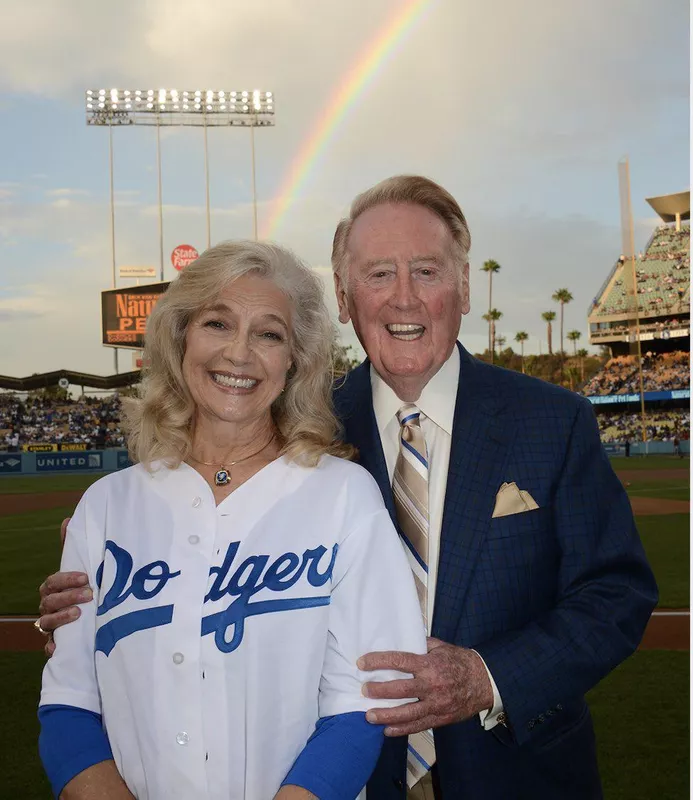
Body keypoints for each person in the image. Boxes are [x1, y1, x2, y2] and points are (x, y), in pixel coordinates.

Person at [39, 177, 658, 800]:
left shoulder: (553, 420)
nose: (404, 299)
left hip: (519, 772)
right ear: (342, 295)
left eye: (427, 270)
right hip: (355, 778)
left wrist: (486, 676)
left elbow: (616, 592)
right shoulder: (298, 425)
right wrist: (113, 581)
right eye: (379, 274)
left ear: (465, 285)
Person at [37, 240, 426, 800]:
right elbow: (68, 705)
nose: (239, 354)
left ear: (295, 358)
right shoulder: (105, 506)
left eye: (269, 334)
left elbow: (361, 705)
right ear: (181, 338)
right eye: (218, 324)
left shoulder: (344, 495)